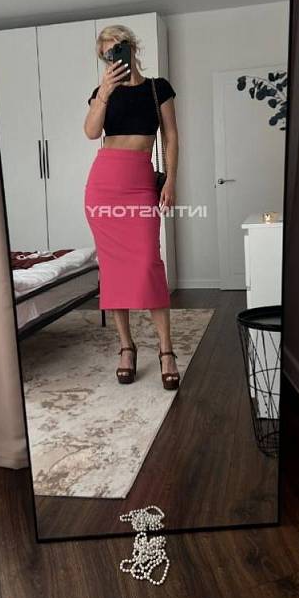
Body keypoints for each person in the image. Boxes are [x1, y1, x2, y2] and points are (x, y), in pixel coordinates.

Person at [83, 24, 179, 390]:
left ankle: (166, 351)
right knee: (112, 268)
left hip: (139, 184)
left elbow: (171, 137)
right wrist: (104, 93)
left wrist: (170, 180)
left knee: (148, 263)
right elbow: (91, 132)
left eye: (119, 46)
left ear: (132, 47)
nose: (115, 55)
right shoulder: (102, 92)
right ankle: (126, 347)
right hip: (104, 184)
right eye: (107, 52)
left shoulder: (158, 88)